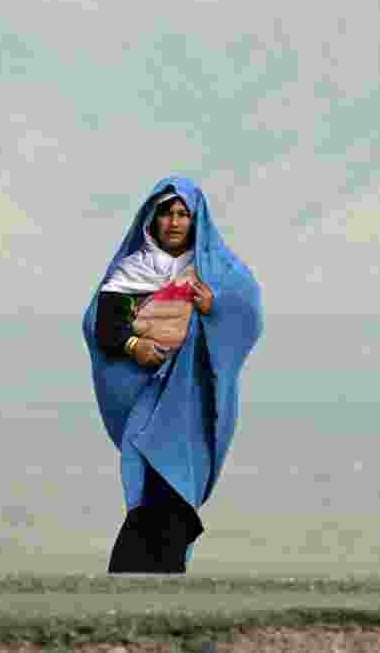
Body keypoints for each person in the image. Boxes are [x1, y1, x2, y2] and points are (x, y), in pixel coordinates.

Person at [82, 176, 263, 573]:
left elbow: (248, 316)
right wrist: (135, 346)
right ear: (153, 218)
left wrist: (214, 307)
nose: (175, 222)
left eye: (183, 214)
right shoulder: (133, 269)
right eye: (166, 213)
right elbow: (102, 324)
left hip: (195, 402)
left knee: (180, 490)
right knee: (150, 489)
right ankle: (139, 576)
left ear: (196, 221)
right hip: (147, 401)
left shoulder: (218, 272)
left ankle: (147, 577)